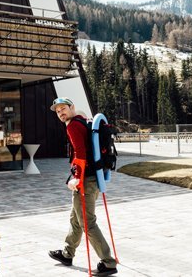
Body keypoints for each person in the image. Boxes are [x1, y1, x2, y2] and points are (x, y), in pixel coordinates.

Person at [48, 97, 118, 276]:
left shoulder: (72, 125)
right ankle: (67, 253)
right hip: (94, 176)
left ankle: (108, 262)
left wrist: (76, 179)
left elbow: (80, 153)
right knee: (76, 218)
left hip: (86, 180)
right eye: (57, 111)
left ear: (72, 107)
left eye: (63, 109)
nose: (61, 113)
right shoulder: (82, 121)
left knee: (87, 222)